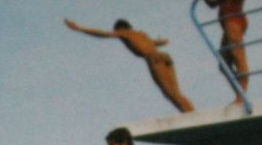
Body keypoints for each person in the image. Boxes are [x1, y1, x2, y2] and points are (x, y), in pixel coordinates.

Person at [63, 18, 195, 113]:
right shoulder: (141, 34)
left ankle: (190, 115)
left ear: (120, 28)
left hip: (153, 59)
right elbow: (150, 43)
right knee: (176, 92)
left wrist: (80, 29)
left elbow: (103, 34)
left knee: (169, 92)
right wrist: (160, 42)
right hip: (164, 56)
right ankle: (191, 112)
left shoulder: (124, 33)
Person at [198, 0, 250, 97]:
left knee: (238, 56)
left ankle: (241, 96)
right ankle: (240, 92)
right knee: (224, 64)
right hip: (227, 22)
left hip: (234, 20)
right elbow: (213, 4)